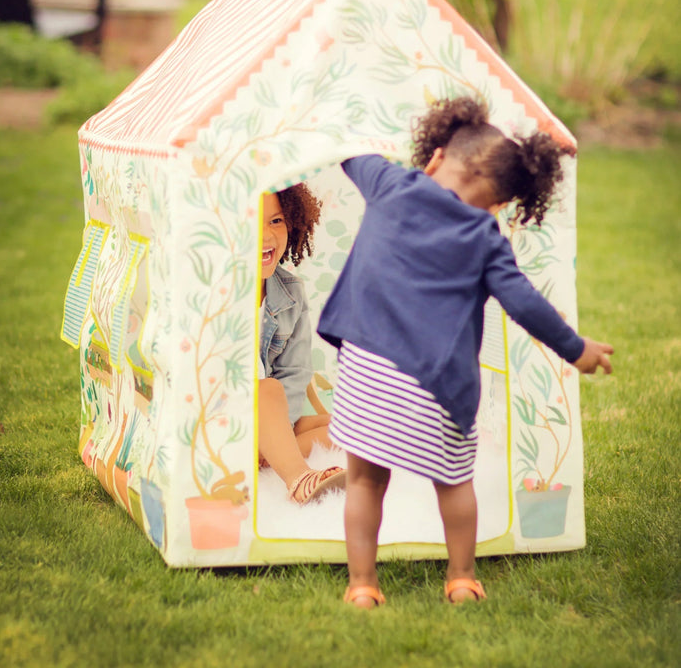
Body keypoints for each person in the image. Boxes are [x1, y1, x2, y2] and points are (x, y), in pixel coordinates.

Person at [317, 96, 614, 607]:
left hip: (367, 370)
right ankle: (460, 579)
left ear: (433, 159)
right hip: (436, 384)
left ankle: (362, 586)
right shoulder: (485, 236)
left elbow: (349, 150)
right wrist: (576, 349)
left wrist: (327, 112)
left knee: (364, 481)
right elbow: (523, 302)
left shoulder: (390, 184)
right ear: (499, 203)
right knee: (453, 481)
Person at [258, 183, 346, 504]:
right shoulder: (216, 291)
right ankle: (299, 477)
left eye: (276, 221)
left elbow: (295, 374)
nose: (266, 236)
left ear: (293, 221)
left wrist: (276, 429)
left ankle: (270, 451)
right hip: (227, 417)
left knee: (345, 427)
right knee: (266, 390)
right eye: (252, 222)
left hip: (273, 416)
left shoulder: (291, 294)